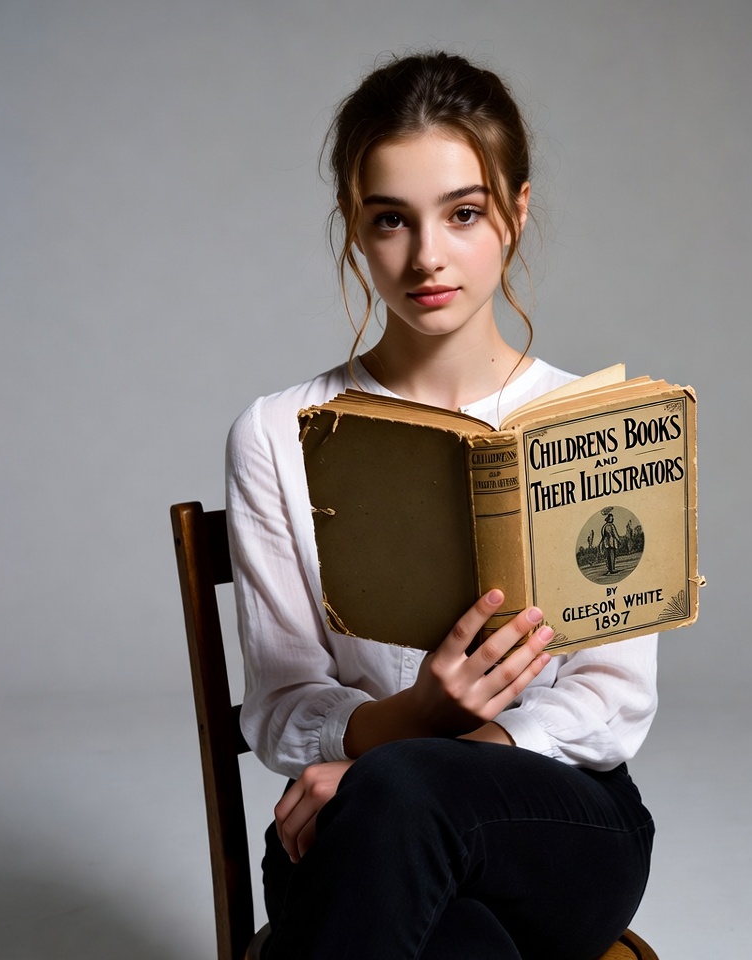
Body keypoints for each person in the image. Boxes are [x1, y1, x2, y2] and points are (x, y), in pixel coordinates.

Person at [226, 51, 658, 960]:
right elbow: (278, 710)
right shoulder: (278, 434)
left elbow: (613, 701)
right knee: (458, 942)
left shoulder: (599, 426)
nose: (428, 256)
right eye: (391, 220)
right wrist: (416, 714)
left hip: (556, 824)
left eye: (463, 214)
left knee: (399, 795)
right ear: (355, 228)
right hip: (345, 822)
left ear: (516, 212)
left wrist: (425, 755)